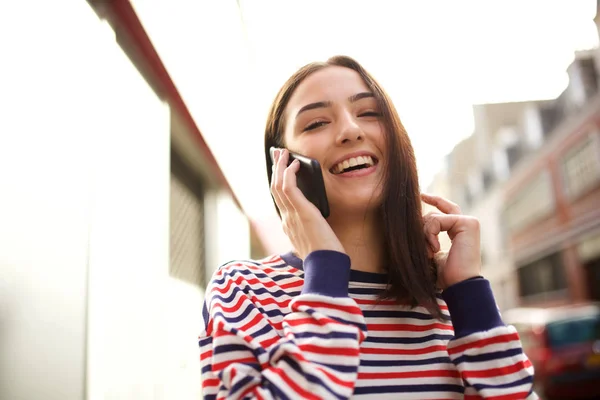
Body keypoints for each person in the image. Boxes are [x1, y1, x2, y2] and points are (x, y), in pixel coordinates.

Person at [198, 55, 536, 399]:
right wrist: (325, 272)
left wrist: (467, 293)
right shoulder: (242, 290)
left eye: (369, 113)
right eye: (316, 123)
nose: (350, 131)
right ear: (282, 163)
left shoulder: (451, 298)